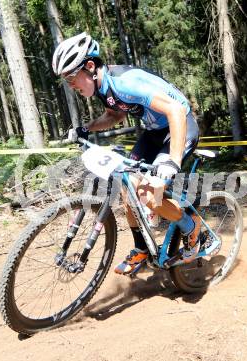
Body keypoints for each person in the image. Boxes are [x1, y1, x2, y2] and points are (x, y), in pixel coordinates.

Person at [52, 32, 201, 275]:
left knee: (149, 196)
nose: (70, 85)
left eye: (71, 77)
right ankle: (141, 249)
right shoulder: (102, 86)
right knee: (127, 186)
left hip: (180, 126)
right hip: (154, 133)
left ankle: (190, 225)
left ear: (89, 66)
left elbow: (175, 110)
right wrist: (85, 129)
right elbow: (115, 114)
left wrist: (173, 161)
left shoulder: (124, 82)